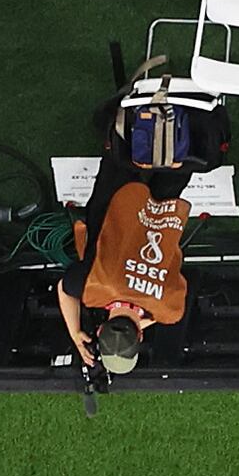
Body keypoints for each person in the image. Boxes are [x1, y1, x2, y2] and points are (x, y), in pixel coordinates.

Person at [64, 139, 195, 381]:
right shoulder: (91, 289)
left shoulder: (167, 309)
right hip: (116, 205)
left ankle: (187, 134)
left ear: (140, 336)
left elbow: (157, 310)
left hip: (160, 216)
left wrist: (141, 317)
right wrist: (75, 332)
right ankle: (128, 126)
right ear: (100, 329)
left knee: (176, 169)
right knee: (122, 157)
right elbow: (65, 289)